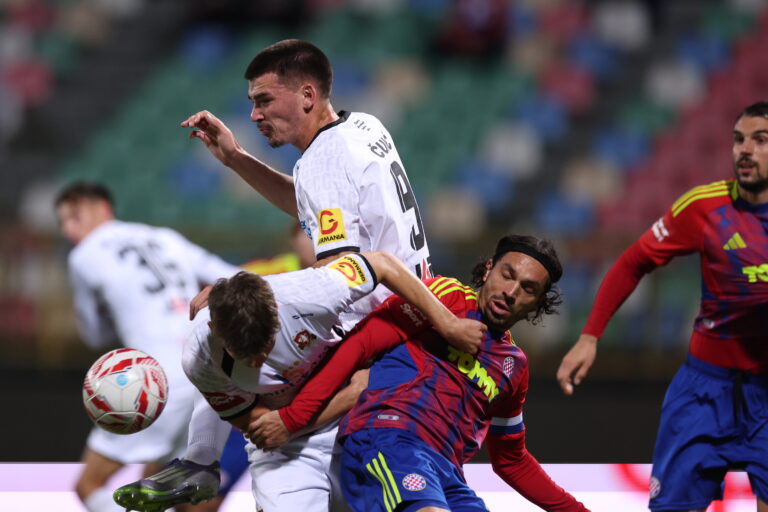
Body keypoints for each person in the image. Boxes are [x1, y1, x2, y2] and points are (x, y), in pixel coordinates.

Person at [116, 38, 446, 510]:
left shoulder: (324, 159)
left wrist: (236, 293)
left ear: (307, 96)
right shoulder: (362, 127)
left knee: (217, 333)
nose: (254, 115)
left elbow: (338, 274)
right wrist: (234, 158)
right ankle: (203, 461)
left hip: (378, 342)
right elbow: (310, 206)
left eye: (263, 100)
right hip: (405, 325)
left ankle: (203, 460)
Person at [115, 251, 485, 512]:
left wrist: (447, 322)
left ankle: (199, 460)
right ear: (214, 328)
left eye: (266, 345)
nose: (259, 360)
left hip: (359, 423)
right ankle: (199, 459)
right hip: (289, 447)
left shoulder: (313, 291)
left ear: (276, 310)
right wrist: (346, 393)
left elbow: (385, 264)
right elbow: (262, 425)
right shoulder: (199, 359)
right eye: (246, 355)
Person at [251, 235, 589, 512]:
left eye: (528, 289)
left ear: (539, 302)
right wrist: (296, 417)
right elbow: (360, 345)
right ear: (489, 269)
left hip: (447, 475)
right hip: (389, 440)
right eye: (507, 274)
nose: (511, 292)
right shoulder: (446, 299)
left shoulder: (513, 367)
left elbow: (511, 461)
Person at [556, 101, 768, 512]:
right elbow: (633, 261)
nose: (745, 150)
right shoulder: (704, 207)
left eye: (761, 141)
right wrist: (589, 335)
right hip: (704, 390)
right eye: (739, 140)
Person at [55, 182, 240, 512]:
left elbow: (94, 336)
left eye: (74, 216)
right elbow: (233, 278)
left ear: (103, 209)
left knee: (89, 484)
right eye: (63, 222)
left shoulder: (83, 256)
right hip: (213, 371)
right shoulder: (164, 237)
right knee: (187, 495)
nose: (69, 228)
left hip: (155, 379)